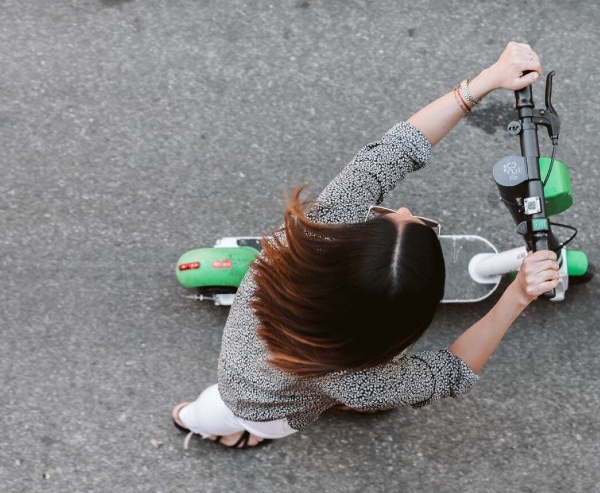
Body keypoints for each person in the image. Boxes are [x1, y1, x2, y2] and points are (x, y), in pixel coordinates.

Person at [171, 41, 559, 449]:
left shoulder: (320, 227)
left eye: (392, 218)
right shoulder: (359, 382)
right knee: (227, 413)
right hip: (265, 411)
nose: (406, 208)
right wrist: (515, 295)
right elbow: (449, 371)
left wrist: (485, 81)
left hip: (250, 387)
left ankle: (196, 418)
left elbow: (395, 151)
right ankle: (196, 421)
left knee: (220, 407)